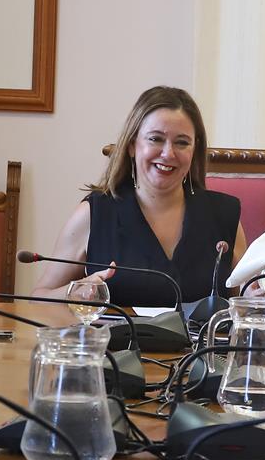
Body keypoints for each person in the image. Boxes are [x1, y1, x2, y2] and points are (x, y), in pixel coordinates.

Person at [38, 85, 248, 307]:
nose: (168, 153)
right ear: (132, 145)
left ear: (194, 151)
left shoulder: (223, 215)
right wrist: (76, 291)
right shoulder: (94, 213)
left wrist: (258, 297)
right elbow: (38, 300)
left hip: (203, 343)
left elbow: (245, 301)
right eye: (155, 139)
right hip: (114, 342)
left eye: (182, 142)